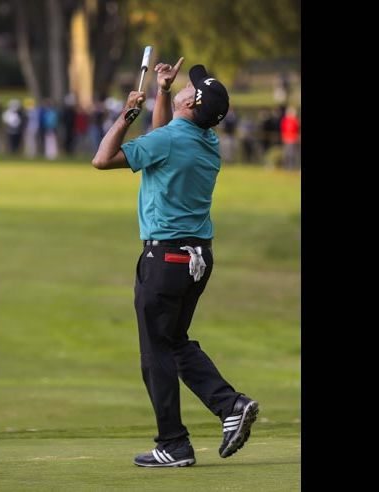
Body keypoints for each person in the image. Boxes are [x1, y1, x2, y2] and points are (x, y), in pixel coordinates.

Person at [91, 57, 259, 468]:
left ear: (192, 104)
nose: (186, 84)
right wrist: (163, 92)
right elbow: (163, 135)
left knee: (156, 353)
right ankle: (231, 405)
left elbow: (102, 158)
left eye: (189, 87)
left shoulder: (168, 141)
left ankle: (174, 443)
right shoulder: (207, 140)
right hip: (197, 257)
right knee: (175, 342)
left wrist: (128, 113)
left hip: (164, 258)